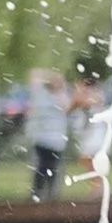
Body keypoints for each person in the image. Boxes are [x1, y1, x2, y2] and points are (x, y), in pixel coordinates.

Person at [24, 70, 70, 202]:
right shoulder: (40, 95)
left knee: (53, 168)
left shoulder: (62, 97)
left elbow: (66, 107)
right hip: (41, 138)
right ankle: (37, 194)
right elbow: (34, 75)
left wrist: (59, 87)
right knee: (41, 167)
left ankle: (51, 194)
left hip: (57, 140)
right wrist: (50, 76)